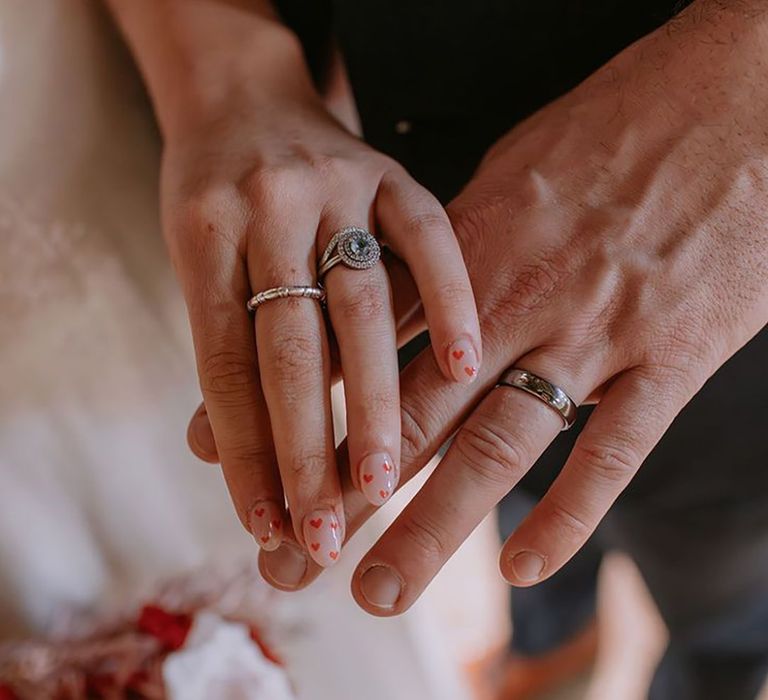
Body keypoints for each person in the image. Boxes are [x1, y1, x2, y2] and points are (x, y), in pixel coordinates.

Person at [111, 1, 768, 698]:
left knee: (717, 588)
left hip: (723, 295)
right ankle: (553, 642)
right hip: (419, 228)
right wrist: (230, 77)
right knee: (502, 482)